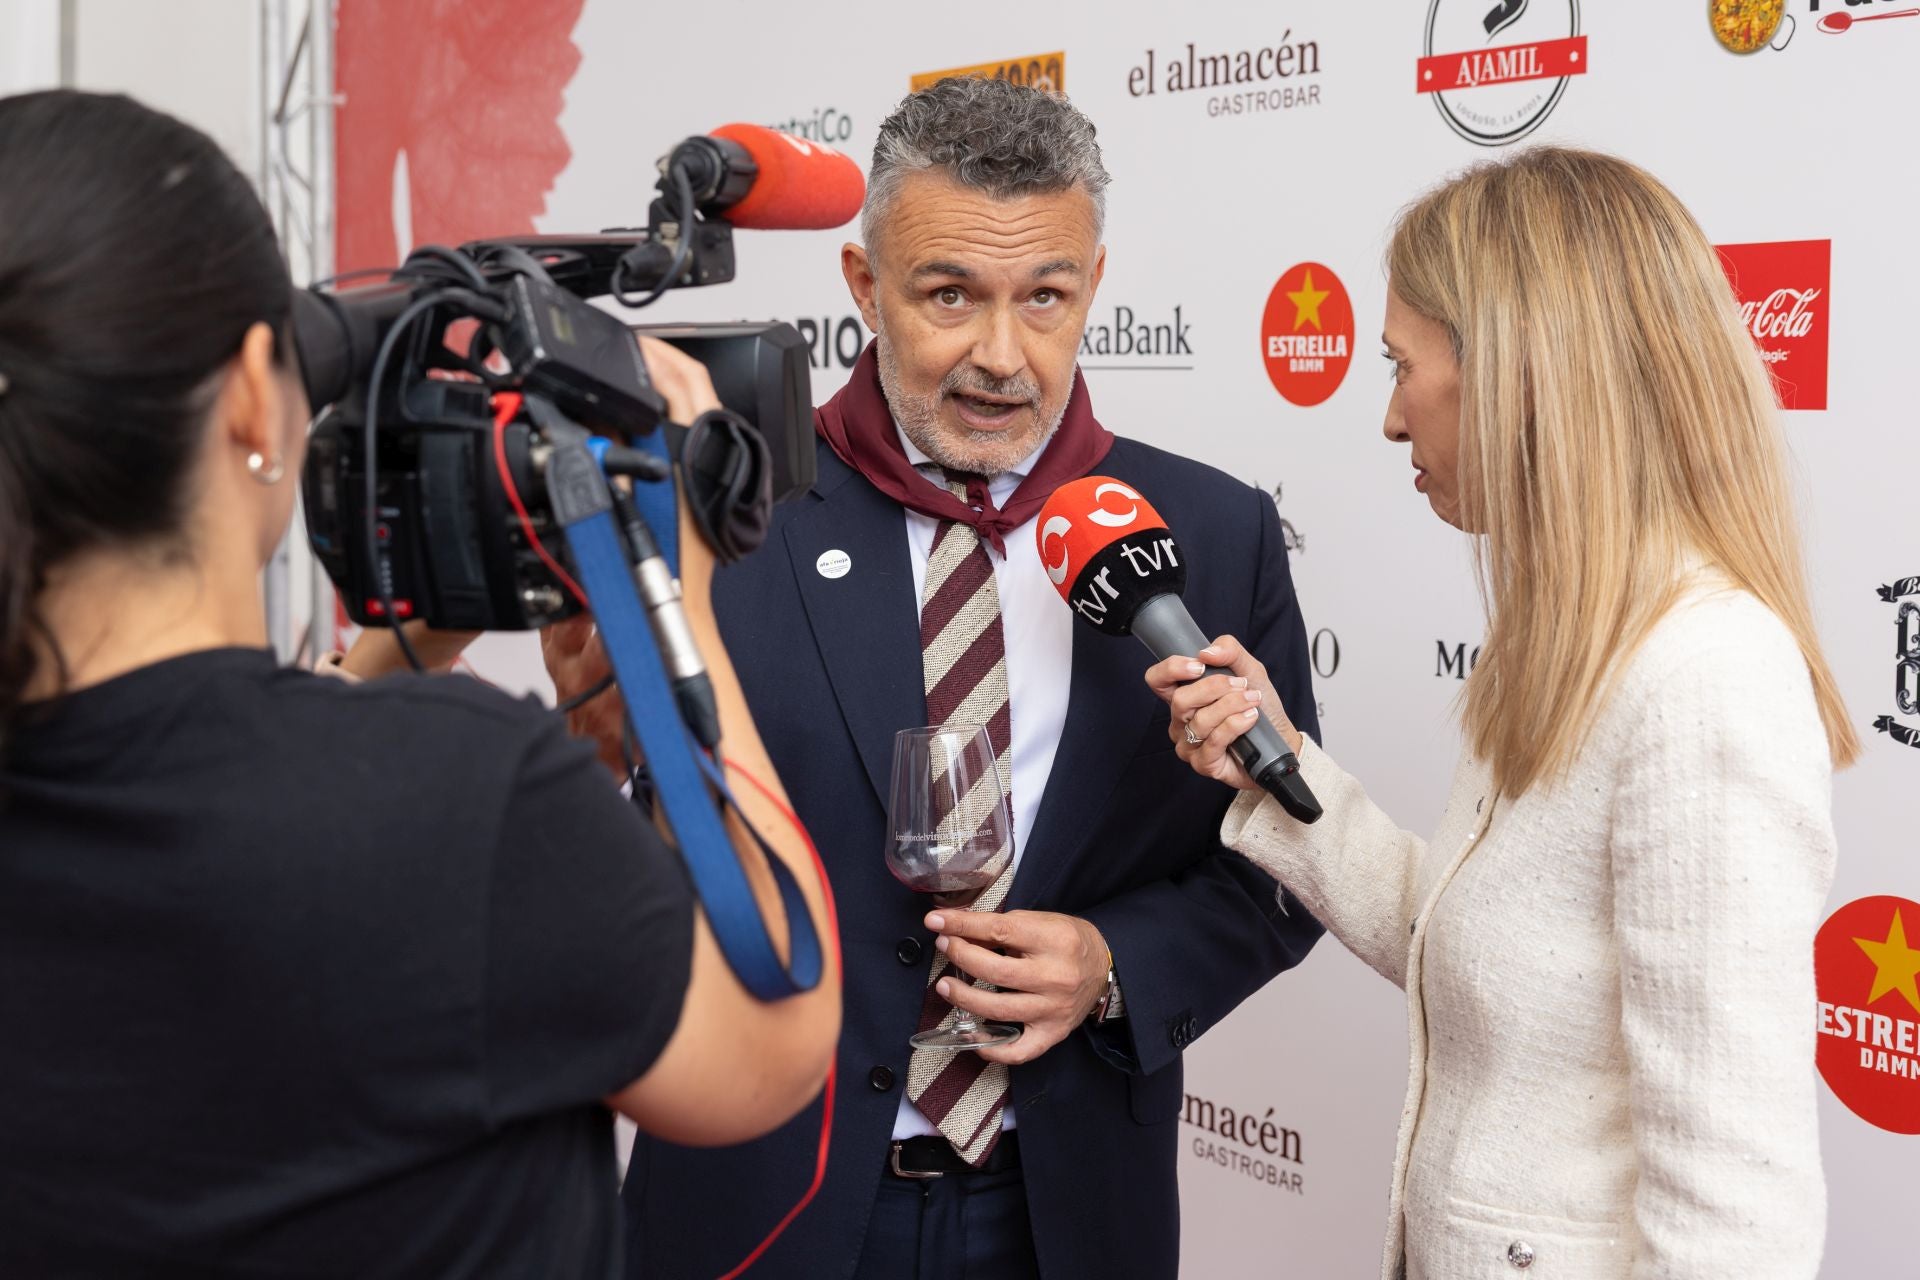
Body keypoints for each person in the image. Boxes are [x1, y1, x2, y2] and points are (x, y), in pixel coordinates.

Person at [0, 89, 838, 1278]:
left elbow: (185, 791)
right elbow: (771, 1029)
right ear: (252, 397)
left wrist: (398, 647)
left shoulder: (418, 791)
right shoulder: (469, 798)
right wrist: (672, 599)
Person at [543, 75, 1323, 1280]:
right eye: (949, 294)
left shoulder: (1213, 534)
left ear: (1095, 287)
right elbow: (615, 861)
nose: (1000, 356)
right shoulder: (713, 509)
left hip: (1064, 1219)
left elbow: (1278, 874)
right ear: (863, 285)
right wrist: (595, 729)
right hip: (759, 1205)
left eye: (1045, 297)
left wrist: (1116, 961)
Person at [1150, 147, 1856, 1280]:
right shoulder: (1572, 636)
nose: (1387, 418)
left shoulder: (1706, 674)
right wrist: (1274, 767)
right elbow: (1472, 941)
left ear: (1520, 372)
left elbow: (1739, 1214)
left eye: (1401, 366)